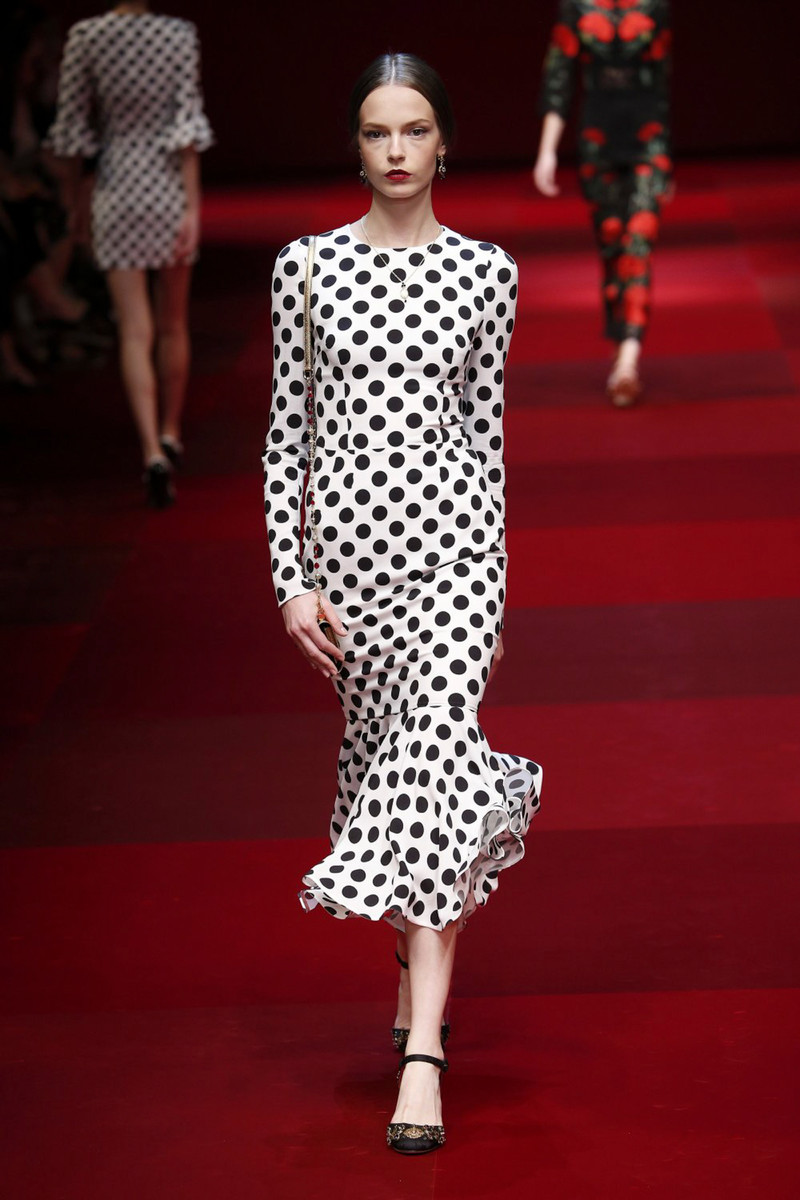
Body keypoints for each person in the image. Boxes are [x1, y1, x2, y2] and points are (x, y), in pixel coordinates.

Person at [262, 54, 542, 1155]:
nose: (395, 150)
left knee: (434, 765)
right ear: (356, 144)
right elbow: (287, 436)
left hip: (454, 561)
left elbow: (484, 434)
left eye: (414, 130)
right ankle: (408, 961)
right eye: (377, 131)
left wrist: (494, 587)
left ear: (443, 142)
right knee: (382, 774)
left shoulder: (486, 273)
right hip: (349, 571)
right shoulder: (306, 268)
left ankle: (423, 1054)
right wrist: (290, 581)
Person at [46, 2, 213, 507]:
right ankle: (170, 431)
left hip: (116, 192)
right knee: (173, 324)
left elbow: (72, 134)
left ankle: (150, 452)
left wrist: (74, 204)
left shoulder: (86, 36)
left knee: (134, 330)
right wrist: (193, 209)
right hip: (166, 191)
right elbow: (187, 130)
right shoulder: (177, 35)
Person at [533, 0, 673, 407]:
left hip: (649, 142)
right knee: (612, 246)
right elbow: (558, 80)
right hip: (597, 142)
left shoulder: (655, 6)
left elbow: (661, 80)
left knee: (638, 245)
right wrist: (547, 152)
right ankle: (620, 339)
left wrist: (667, 156)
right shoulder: (576, 8)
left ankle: (627, 361)